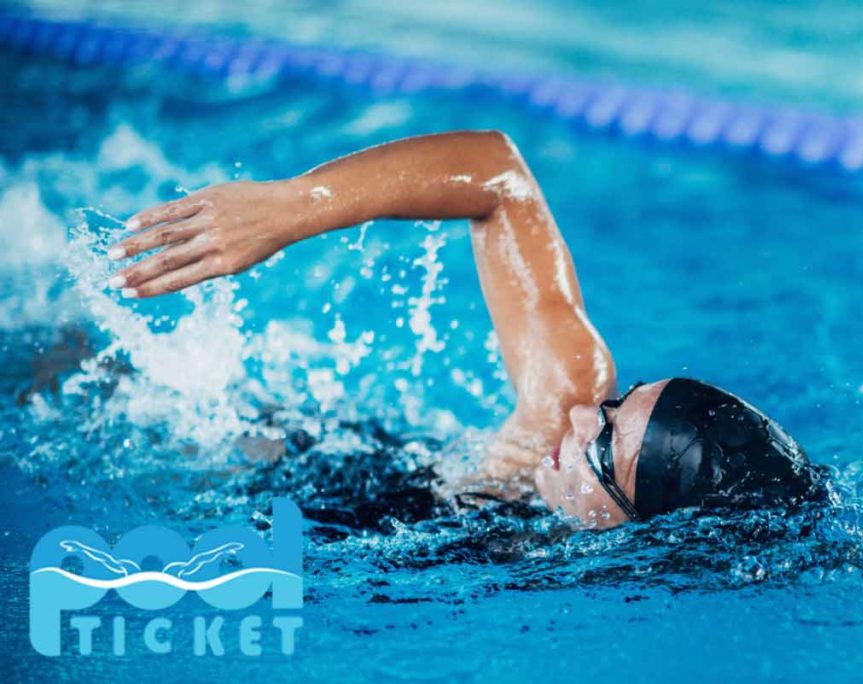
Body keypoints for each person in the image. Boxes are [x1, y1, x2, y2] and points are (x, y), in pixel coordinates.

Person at [109, 130, 823, 529]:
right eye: (615, 405)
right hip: (279, 457)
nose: (578, 415)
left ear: (644, 530)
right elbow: (496, 173)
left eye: (605, 447)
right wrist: (295, 207)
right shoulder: (557, 416)